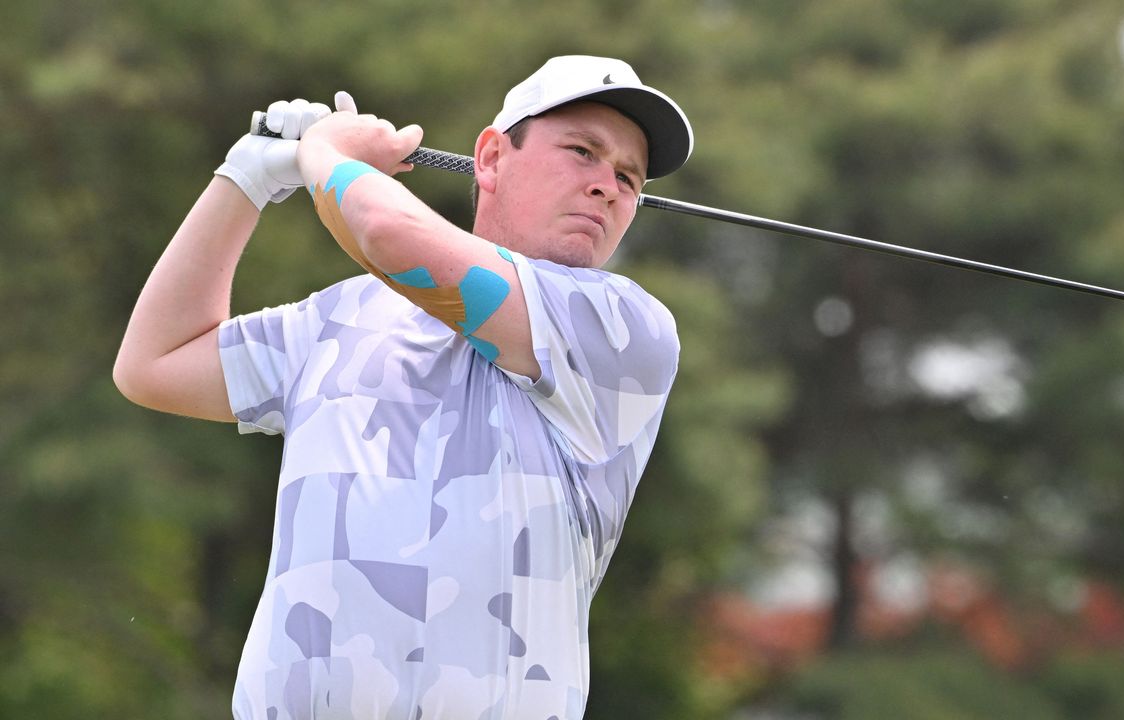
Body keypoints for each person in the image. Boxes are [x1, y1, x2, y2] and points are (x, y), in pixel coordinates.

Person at [113, 55, 693, 720]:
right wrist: (244, 179)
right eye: (583, 152)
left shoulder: (624, 329)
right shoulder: (336, 319)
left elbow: (386, 232)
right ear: (492, 158)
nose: (608, 187)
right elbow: (154, 362)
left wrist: (325, 153)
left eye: (627, 177)